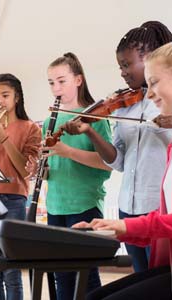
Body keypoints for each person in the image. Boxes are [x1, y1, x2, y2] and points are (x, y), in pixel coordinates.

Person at [63, 21, 172, 273]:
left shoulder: (164, 100)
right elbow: (118, 161)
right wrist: (90, 131)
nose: (123, 72)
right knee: (142, 277)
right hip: (129, 205)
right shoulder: (125, 105)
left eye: (127, 64)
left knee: (158, 277)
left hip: (159, 207)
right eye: (120, 66)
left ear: (148, 58)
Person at [40, 52, 112, 299]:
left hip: (84, 204)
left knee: (86, 274)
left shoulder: (97, 116)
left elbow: (107, 164)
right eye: (51, 82)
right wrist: (39, 170)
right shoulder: (49, 119)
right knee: (62, 275)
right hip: (56, 204)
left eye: (61, 81)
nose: (55, 88)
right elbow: (54, 166)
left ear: (78, 80)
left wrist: (67, 151)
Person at [0, 73, 41, 300]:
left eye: (5, 95)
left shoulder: (30, 128)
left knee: (12, 268)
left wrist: (3, 139)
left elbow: (25, 171)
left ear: (17, 98)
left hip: (14, 199)